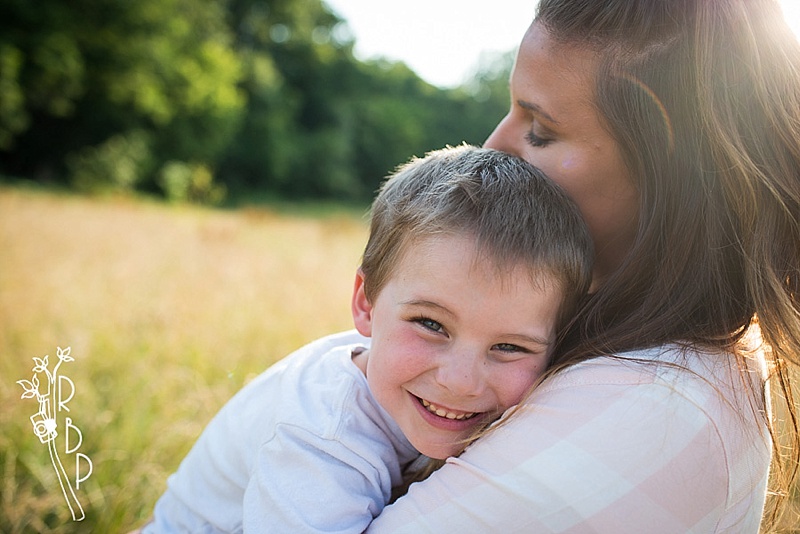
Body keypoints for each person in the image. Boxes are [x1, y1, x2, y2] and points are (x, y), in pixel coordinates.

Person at [360, 0, 800, 532]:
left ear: (670, 177)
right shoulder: (633, 351)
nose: (493, 146)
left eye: (541, 132)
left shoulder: (651, 406)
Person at [139, 145, 594, 533]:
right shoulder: (321, 437)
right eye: (431, 325)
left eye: (509, 347)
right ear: (367, 303)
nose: (460, 381)